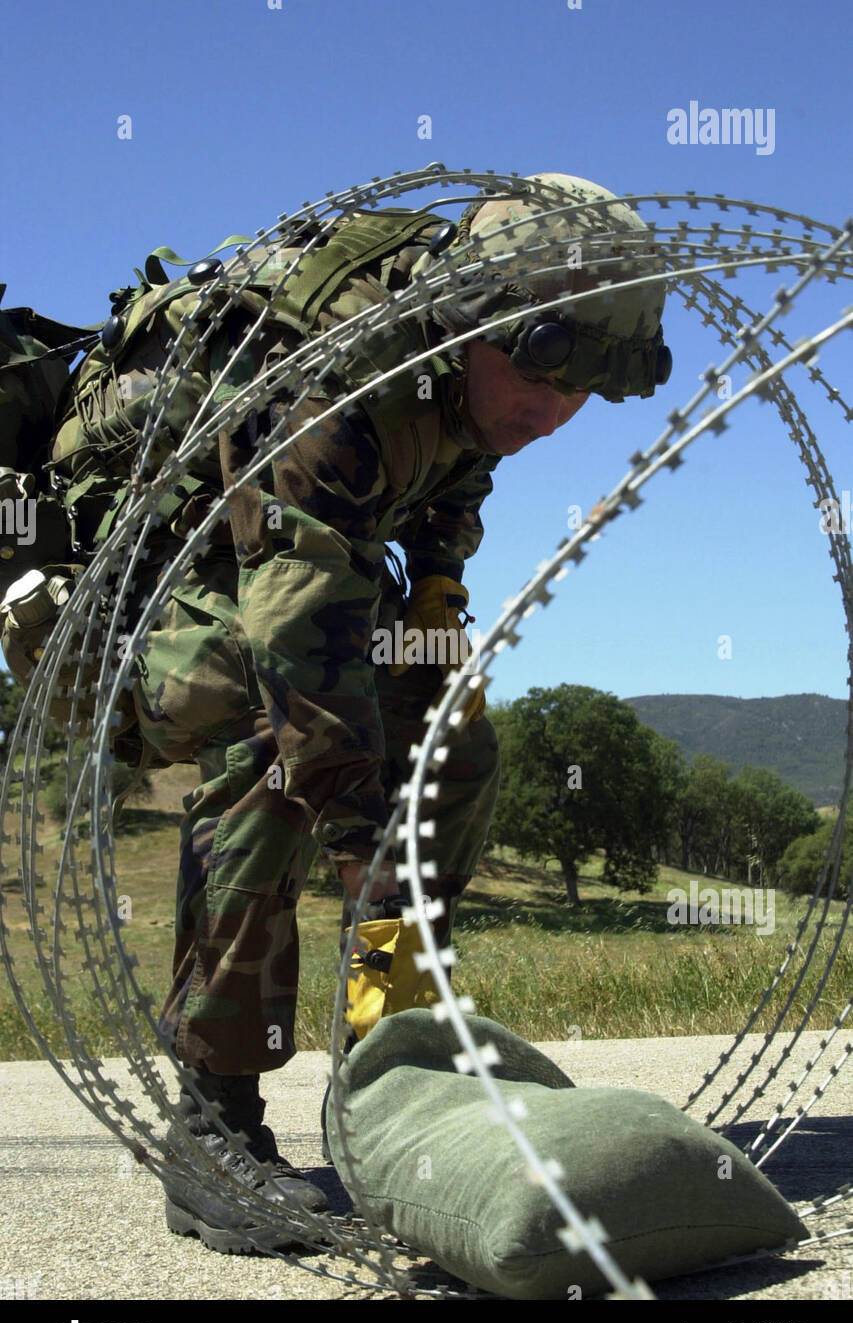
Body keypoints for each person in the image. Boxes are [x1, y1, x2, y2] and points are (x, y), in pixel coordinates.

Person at [49, 171, 672, 1253]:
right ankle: (214, 1125)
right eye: (540, 373)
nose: (550, 415)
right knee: (276, 734)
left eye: (587, 393)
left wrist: (434, 636)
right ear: (466, 319)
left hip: (289, 586)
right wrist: (359, 834)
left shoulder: (475, 384)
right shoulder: (330, 378)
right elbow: (299, 644)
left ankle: (385, 1068)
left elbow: (443, 510)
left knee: (455, 752)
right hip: (130, 608)